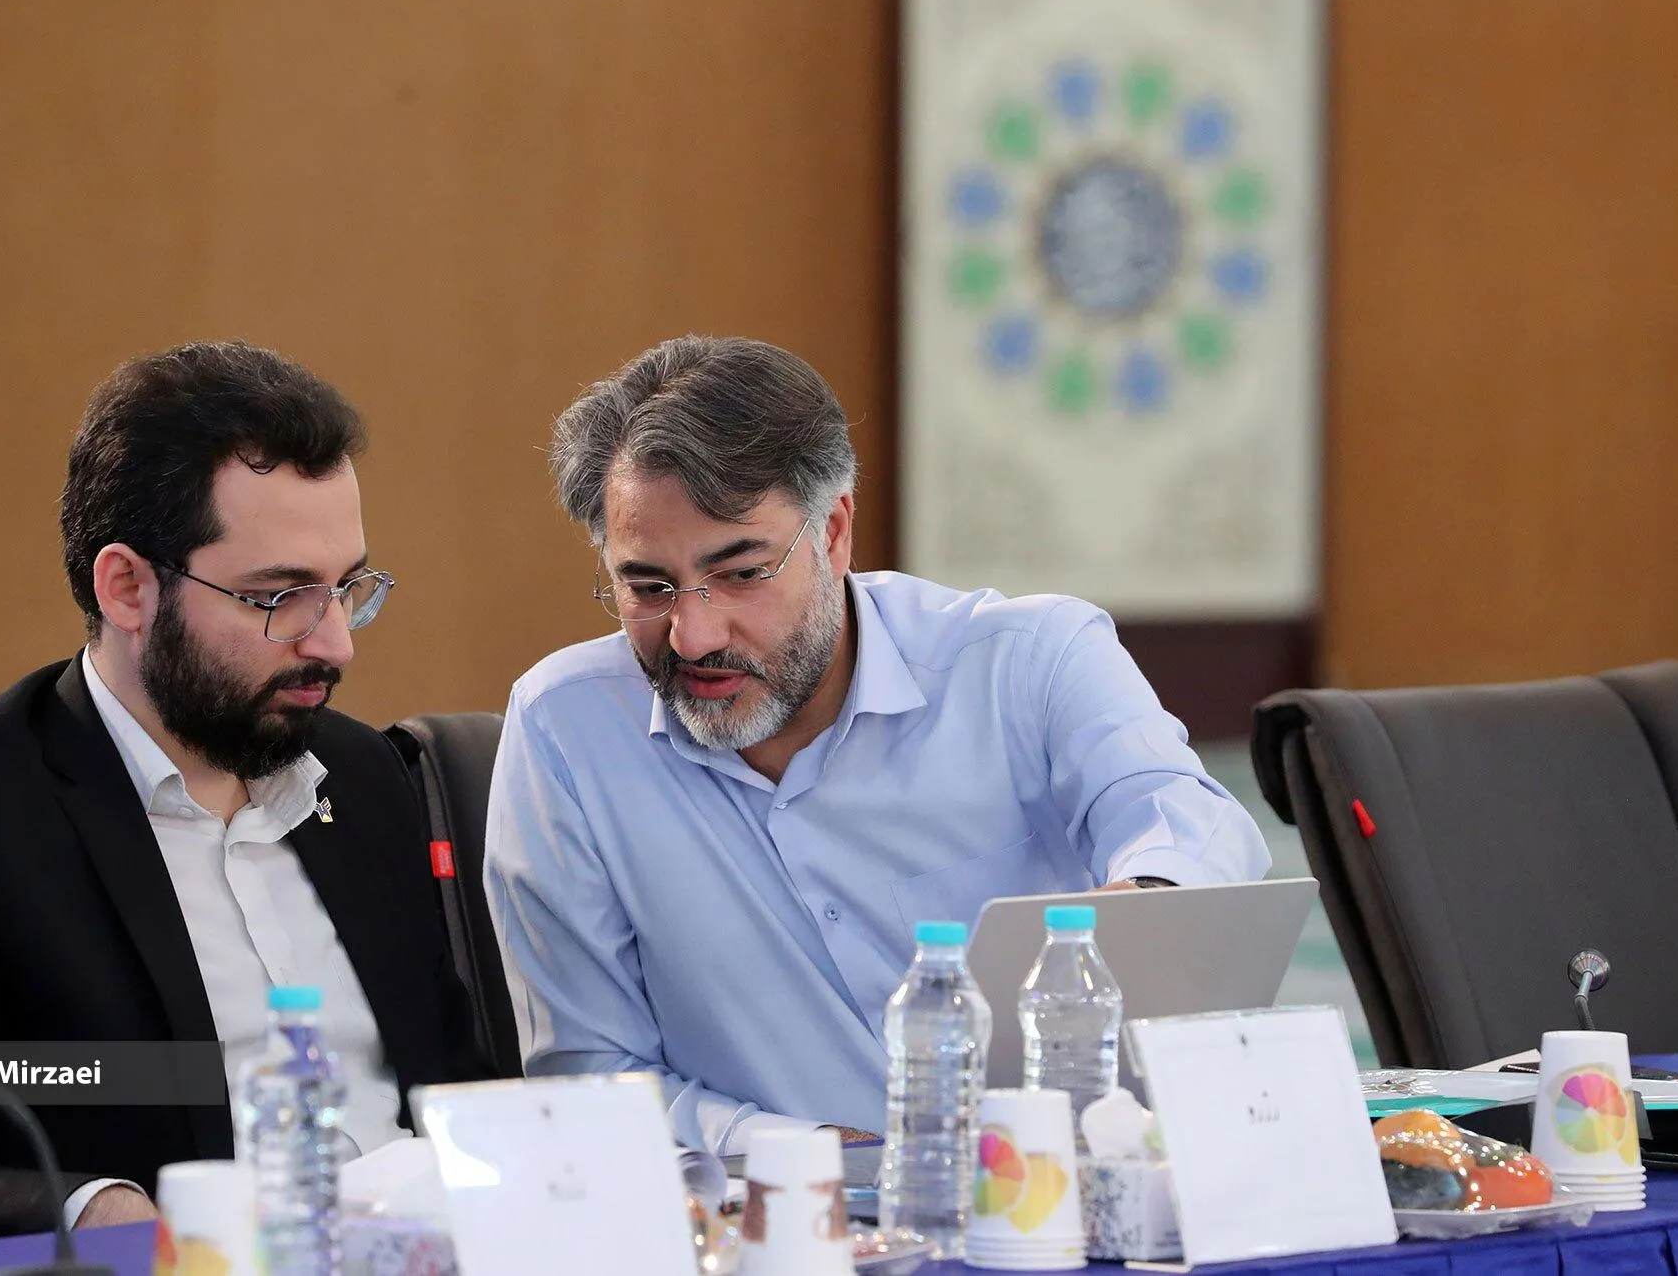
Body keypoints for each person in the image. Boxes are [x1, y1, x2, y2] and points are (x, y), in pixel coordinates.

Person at [484, 334, 1270, 1154]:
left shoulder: (1028, 661)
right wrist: (803, 1150)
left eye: (742, 572)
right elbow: (592, 1079)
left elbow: (1190, 824)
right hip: (770, 1212)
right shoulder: (565, 731)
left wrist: (1141, 905)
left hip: (1049, 1195)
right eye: (648, 586)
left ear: (834, 532)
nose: (694, 634)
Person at [0, 342, 490, 1253]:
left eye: (345, 588)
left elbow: (458, 1091)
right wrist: (95, 1215)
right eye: (280, 596)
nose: (335, 643)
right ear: (128, 587)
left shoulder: (363, 777)